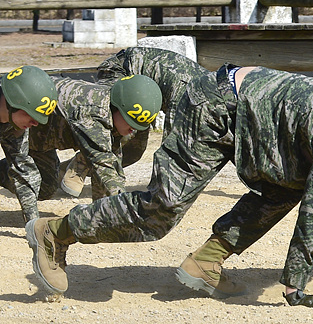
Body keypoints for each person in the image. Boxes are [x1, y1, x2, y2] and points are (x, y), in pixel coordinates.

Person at [25, 67, 313, 306]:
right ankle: (55, 232)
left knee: (284, 189)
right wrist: (296, 284)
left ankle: (205, 263)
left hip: (265, 131)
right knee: (161, 211)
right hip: (217, 107)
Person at [58, 47, 209, 196]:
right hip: (123, 72)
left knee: (134, 151)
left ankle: (68, 168)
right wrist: (160, 194)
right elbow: (170, 149)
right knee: (112, 128)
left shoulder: (210, 96)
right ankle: (82, 166)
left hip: (143, 97)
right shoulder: (189, 94)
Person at [11, 75, 163, 204]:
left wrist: (105, 213)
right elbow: (103, 165)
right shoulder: (94, 112)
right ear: (120, 109)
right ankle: (12, 167)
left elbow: (112, 166)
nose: (133, 130)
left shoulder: (113, 112)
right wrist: (125, 208)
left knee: (45, 188)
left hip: (40, 139)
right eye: (131, 122)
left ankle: (8, 169)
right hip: (18, 119)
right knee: (31, 180)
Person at [0, 65, 59, 225]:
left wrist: (33, 225)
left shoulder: (15, 122)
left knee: (46, 184)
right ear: (14, 102)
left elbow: (23, 169)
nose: (35, 123)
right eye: (31, 115)